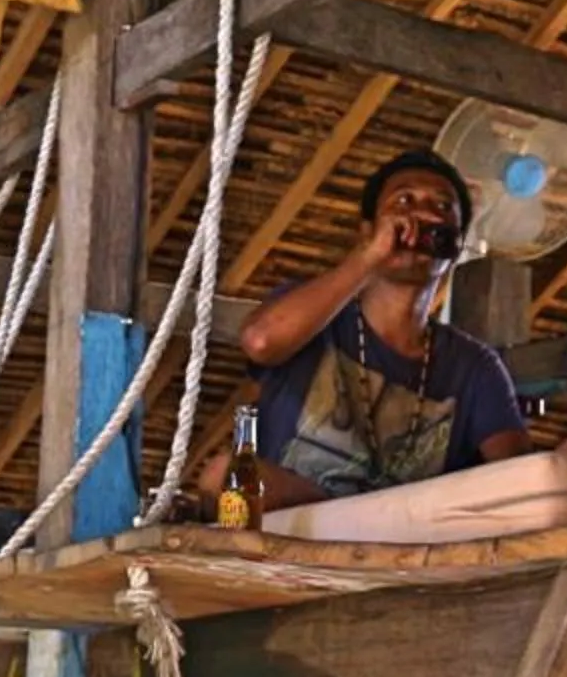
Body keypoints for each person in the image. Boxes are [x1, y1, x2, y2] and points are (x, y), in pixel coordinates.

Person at [227, 149, 534, 514]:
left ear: (454, 243)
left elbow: (517, 484)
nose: (423, 214)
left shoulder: (475, 368)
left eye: (441, 206)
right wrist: (369, 258)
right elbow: (260, 341)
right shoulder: (315, 313)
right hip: (292, 525)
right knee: (223, 475)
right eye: (404, 201)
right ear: (368, 230)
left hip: (400, 538)